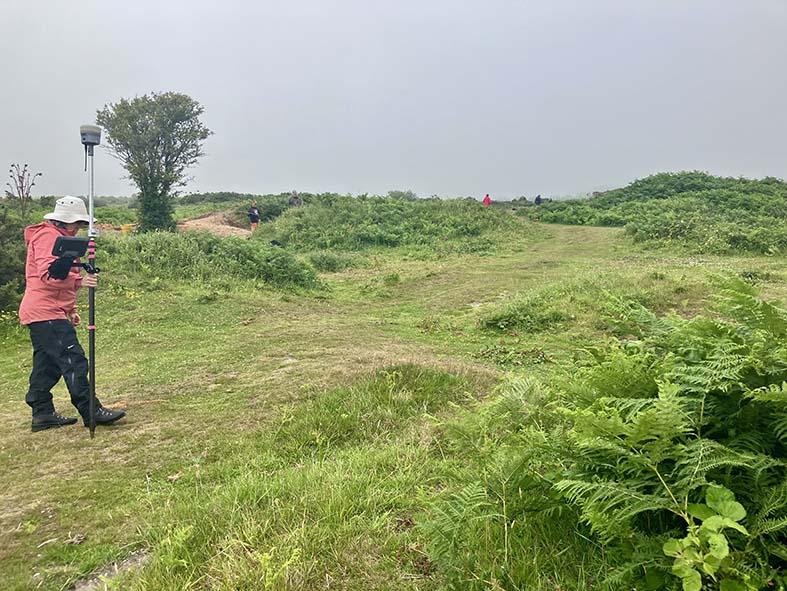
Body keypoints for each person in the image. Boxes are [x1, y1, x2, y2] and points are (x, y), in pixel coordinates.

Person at [18, 196, 126, 432]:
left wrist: (70, 309)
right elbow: (49, 276)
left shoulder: (62, 238)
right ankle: (91, 410)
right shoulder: (48, 237)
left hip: (45, 310)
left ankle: (42, 414)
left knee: (48, 365)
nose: (78, 227)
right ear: (63, 221)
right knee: (73, 359)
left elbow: (58, 278)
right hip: (44, 311)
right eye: (75, 222)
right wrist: (80, 280)